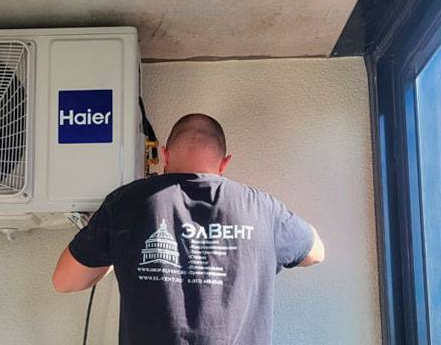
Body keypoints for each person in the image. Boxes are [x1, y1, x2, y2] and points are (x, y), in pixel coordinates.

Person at [52, 113, 325, 345]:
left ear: (164, 155)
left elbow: (65, 280)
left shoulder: (125, 203)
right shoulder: (262, 210)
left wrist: (118, 250)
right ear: (224, 163)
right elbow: (316, 252)